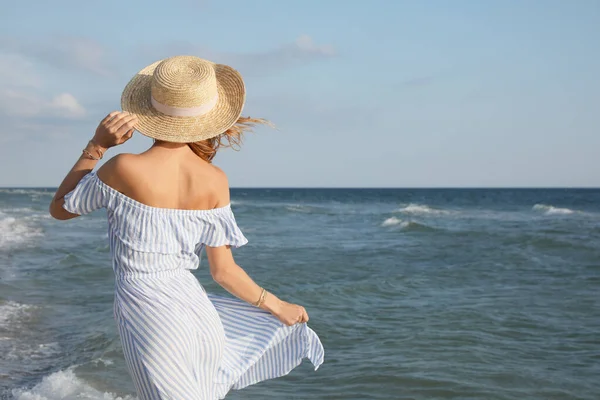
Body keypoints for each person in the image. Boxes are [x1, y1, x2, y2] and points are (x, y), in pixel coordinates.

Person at [49, 55, 324, 399]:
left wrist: (97, 146)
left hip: (147, 313)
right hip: (198, 315)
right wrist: (277, 305)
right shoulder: (215, 180)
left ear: (149, 113)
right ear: (208, 118)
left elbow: (60, 209)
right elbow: (224, 272)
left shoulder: (123, 168)